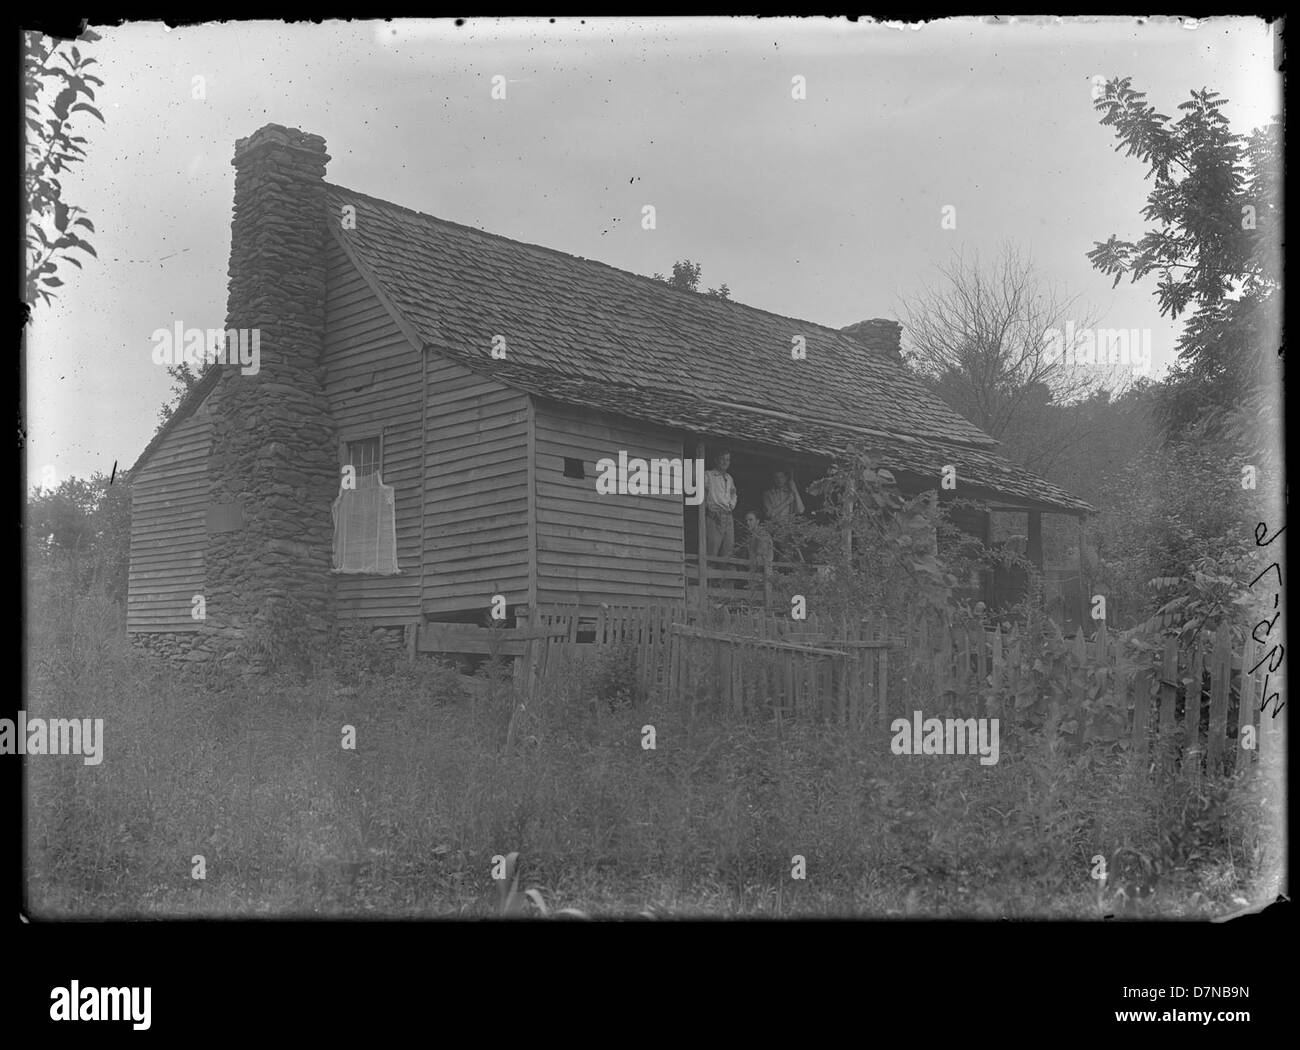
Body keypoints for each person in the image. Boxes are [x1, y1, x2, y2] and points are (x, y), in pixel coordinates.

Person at [762, 468, 805, 561]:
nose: (779, 480)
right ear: (773, 479)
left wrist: (795, 490)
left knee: (790, 555)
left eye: (781, 477)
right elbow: (771, 514)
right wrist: (787, 502)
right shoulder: (768, 494)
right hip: (774, 528)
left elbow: (801, 510)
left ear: (786, 478)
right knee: (773, 555)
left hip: (787, 529)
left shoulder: (790, 493)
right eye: (776, 477)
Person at [703, 449, 737, 559]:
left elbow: (733, 493)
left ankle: (724, 574)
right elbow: (699, 490)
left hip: (728, 514)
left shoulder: (729, 478)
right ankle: (709, 571)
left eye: (727, 460)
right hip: (715, 514)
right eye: (722, 459)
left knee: (728, 545)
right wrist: (710, 507)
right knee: (713, 545)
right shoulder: (708, 475)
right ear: (716, 460)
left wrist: (731, 505)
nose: (725, 462)